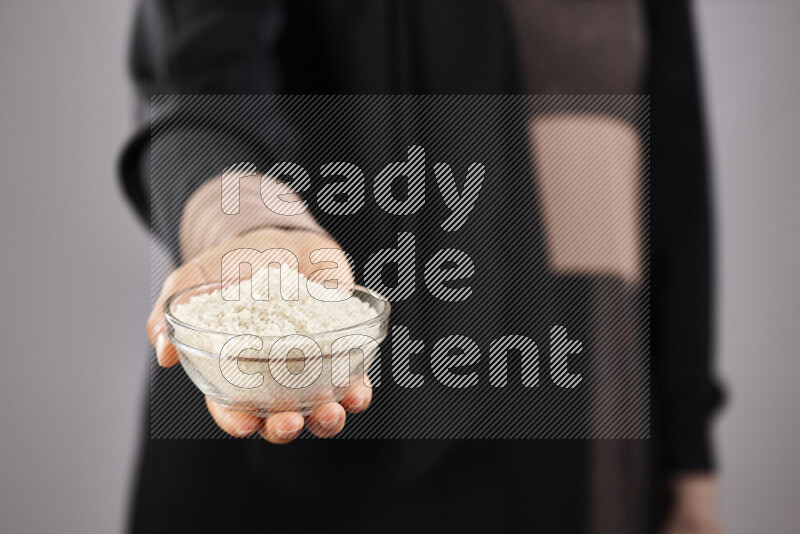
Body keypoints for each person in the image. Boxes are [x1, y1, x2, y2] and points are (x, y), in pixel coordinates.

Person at [120, 1, 722, 532]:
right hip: (325, 427)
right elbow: (201, 77)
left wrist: (689, 455)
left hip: (578, 406)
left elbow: (670, 182)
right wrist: (245, 221)